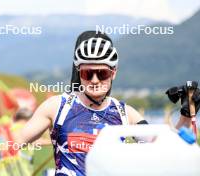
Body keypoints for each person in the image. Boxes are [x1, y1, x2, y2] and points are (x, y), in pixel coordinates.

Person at [13, 31, 200, 176]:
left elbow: (162, 148)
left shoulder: (126, 113)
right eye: (88, 73)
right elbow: (14, 144)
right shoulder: (57, 106)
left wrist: (186, 113)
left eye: (102, 74)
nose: (94, 80)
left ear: (113, 73)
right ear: (79, 73)